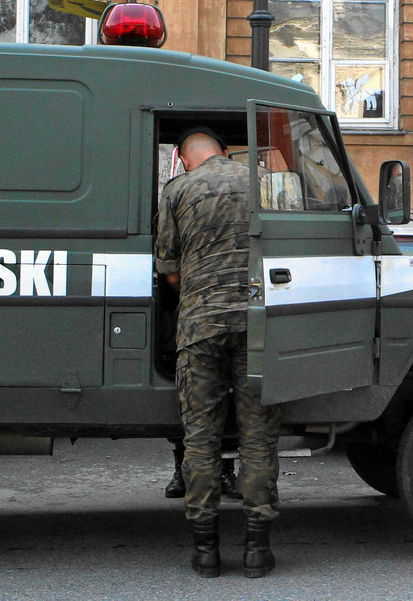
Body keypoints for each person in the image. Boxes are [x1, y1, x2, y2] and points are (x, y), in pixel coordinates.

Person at [154, 127, 281, 579]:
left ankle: (205, 553)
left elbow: (167, 267)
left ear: (187, 160)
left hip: (201, 329)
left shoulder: (178, 189)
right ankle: (256, 551)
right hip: (257, 325)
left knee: (201, 441)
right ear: (226, 153)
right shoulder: (261, 183)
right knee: (258, 438)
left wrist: (198, 298)